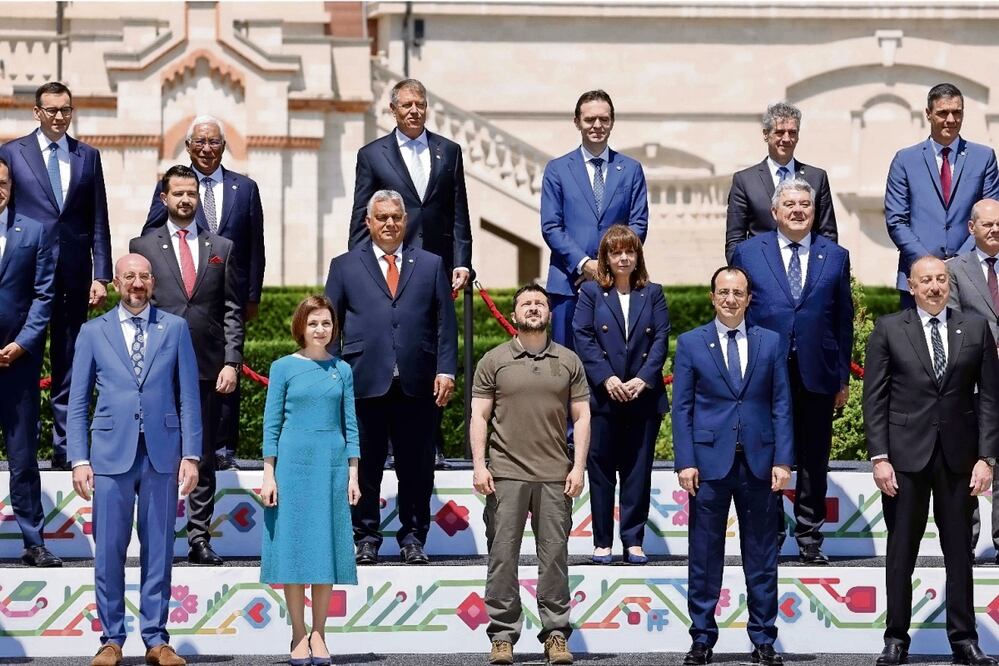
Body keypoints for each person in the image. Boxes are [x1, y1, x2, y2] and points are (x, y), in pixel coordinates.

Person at [863, 256, 999, 666]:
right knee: (900, 552)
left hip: (960, 459)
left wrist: (987, 457)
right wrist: (880, 457)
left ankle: (964, 640)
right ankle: (896, 639)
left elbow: (990, 399)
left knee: (960, 552)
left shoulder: (974, 328)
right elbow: (875, 398)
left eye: (941, 279)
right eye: (927, 281)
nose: (935, 287)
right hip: (904, 459)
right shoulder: (889, 329)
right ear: (911, 284)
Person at [67, 253, 201, 666]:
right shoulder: (93, 332)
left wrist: (191, 455)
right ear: (117, 283)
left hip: (163, 454)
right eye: (129, 277)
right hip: (109, 455)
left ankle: (156, 639)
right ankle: (111, 639)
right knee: (108, 549)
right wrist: (78, 459)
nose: (137, 283)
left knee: (159, 548)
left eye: (144, 276)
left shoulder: (176, 328)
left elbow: (189, 397)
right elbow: (76, 402)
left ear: (153, 283)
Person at [325, 189, 457, 565]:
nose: (389, 223)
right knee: (364, 465)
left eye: (395, 217)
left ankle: (413, 537)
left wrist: (446, 369)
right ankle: (365, 537)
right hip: (363, 381)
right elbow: (329, 323)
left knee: (416, 467)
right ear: (368, 223)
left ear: (405, 221)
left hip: (418, 382)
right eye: (381, 217)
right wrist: (332, 374)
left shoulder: (431, 264)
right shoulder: (345, 265)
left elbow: (445, 323)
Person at [672, 266, 793, 666]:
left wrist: (783, 460)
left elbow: (781, 405)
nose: (730, 299)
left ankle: (763, 639)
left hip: (759, 463)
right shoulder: (691, 343)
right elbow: (683, 408)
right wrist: (685, 461)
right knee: (704, 556)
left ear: (748, 298)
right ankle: (702, 639)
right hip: (708, 466)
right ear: (712, 297)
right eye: (723, 292)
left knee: (761, 555)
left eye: (737, 292)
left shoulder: (770, 343)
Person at [347, 79, 470, 470]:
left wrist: (462, 261)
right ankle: (382, 444)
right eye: (407, 105)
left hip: (434, 268)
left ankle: (429, 441)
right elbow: (360, 216)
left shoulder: (448, 151)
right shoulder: (372, 155)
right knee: (388, 350)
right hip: (387, 266)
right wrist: (357, 268)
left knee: (430, 350)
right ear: (393, 109)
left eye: (420, 104)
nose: (414, 110)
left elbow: (458, 212)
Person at [731, 178, 853, 564]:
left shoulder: (834, 255)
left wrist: (842, 378)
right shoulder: (748, 253)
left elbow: (842, 320)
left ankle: (810, 538)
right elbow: (738, 314)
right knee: (765, 454)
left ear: (814, 211)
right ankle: (770, 533)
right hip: (765, 373)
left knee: (814, 458)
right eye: (791, 205)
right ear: (775, 212)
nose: (798, 210)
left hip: (817, 372)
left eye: (805, 204)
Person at [129, 165, 243, 567]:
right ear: (164, 198)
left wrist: (232, 360)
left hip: (209, 368)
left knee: (203, 454)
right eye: (178, 193)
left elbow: (232, 310)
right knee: (156, 454)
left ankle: (199, 537)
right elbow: (134, 309)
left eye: (191, 193)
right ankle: (156, 538)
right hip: (157, 369)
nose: (185, 200)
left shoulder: (221, 247)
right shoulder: (142, 247)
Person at [471, 284, 590, 666]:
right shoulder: (494, 360)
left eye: (540, 303)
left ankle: (556, 634)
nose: (534, 308)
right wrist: (478, 465)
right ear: (514, 314)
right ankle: (502, 636)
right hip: (505, 474)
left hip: (555, 475)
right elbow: (479, 416)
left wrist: (578, 466)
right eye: (526, 304)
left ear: (549, 313)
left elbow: (582, 417)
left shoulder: (569, 361)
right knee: (502, 558)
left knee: (554, 557)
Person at [143, 115, 265, 471]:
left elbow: (255, 245)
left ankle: (224, 445)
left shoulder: (246, 188)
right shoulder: (173, 186)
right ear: (189, 146)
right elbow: (151, 231)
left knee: (227, 366)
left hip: (227, 292)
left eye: (213, 142)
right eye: (200, 142)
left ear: (224, 147)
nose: (207, 149)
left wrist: (252, 296)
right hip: (183, 288)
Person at [0, 81, 111, 470]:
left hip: (74, 276)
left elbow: (98, 218)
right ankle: (23, 450)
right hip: (22, 278)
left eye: (65, 110)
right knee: (22, 360)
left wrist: (103, 274)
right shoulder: (12, 153)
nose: (59, 117)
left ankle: (65, 450)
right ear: (36, 112)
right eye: (51, 110)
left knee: (69, 363)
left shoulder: (88, 156)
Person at [259, 295, 360, 666]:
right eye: (314, 323)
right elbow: (271, 424)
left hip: (331, 464)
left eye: (327, 323)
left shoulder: (343, 369)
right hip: (291, 464)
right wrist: (268, 473)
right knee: (294, 550)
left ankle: (320, 633)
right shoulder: (282, 367)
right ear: (301, 326)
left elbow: (350, 423)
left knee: (325, 549)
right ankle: (298, 633)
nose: (321, 330)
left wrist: (353, 472)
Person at [571, 224, 669, 564]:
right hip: (603, 397)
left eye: (629, 251)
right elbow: (582, 336)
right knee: (600, 471)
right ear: (606, 258)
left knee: (637, 471)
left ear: (638, 255)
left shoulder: (653, 292)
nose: (623, 257)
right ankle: (602, 542)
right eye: (616, 252)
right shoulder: (590, 293)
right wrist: (606, 377)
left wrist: (643, 378)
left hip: (643, 398)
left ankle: (633, 540)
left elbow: (660, 340)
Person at [541, 89, 649, 351]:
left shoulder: (631, 169)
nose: (597, 126)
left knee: (614, 363)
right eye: (590, 119)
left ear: (612, 121)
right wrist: (583, 264)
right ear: (577, 121)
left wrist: (606, 265)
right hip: (568, 283)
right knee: (566, 366)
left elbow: (638, 224)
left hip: (618, 283)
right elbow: (552, 226)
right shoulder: (557, 169)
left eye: (604, 119)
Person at [885, 82, 999, 308]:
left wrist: (959, 262)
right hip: (918, 276)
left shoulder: (984, 157)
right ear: (928, 114)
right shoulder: (905, 160)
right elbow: (896, 220)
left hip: (971, 277)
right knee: (916, 342)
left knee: (971, 343)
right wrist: (929, 264)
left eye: (957, 112)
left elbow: (990, 214)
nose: (950, 119)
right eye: (943, 113)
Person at [0, 157, 60, 567]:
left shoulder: (33, 231)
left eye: (2, 182)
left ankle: (33, 540)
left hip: (18, 362)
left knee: (23, 458)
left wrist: (23, 343)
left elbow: (44, 295)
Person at [946, 197, 999, 559]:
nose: (995, 229)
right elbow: (950, 323)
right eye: (988, 224)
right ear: (972, 228)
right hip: (973, 382)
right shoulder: (955, 269)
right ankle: (964, 542)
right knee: (969, 462)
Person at [724, 101, 837, 263]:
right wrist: (746, 277)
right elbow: (735, 240)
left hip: (805, 269)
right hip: (760, 271)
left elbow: (828, 234)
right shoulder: (745, 181)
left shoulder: (817, 178)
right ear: (765, 134)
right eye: (779, 132)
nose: (786, 139)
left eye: (792, 132)